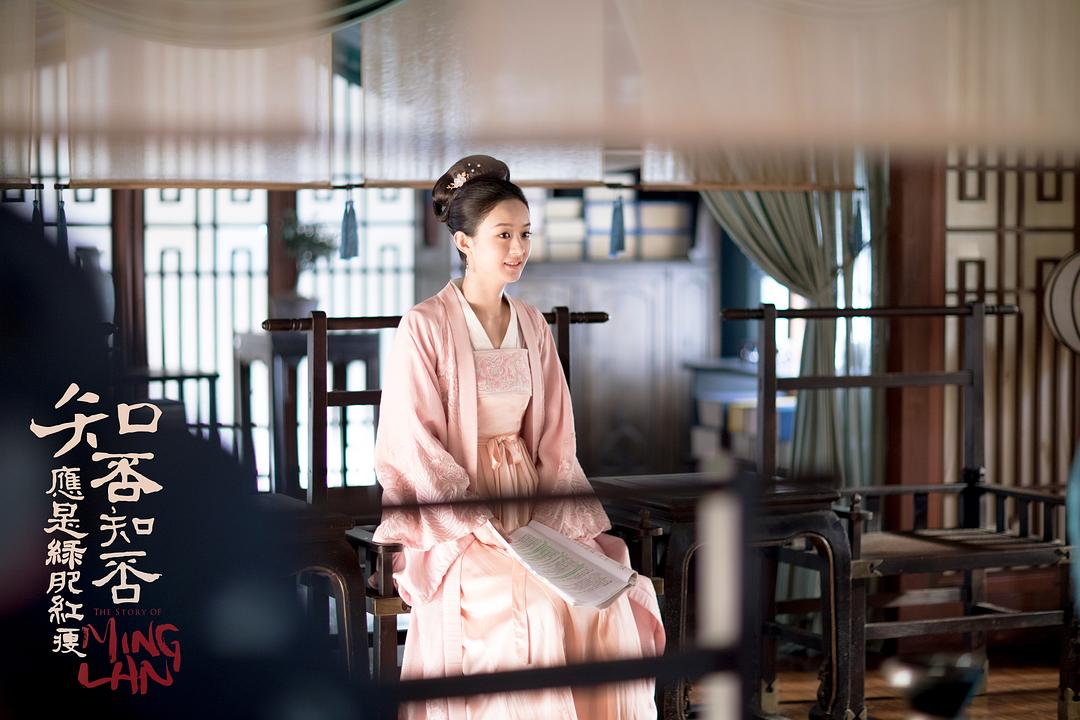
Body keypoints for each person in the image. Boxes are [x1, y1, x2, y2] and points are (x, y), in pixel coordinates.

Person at [372, 156, 666, 719]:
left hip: (532, 498)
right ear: (464, 242)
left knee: (607, 597)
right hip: (460, 514)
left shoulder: (532, 323)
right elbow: (412, 442)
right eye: (503, 235)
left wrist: (548, 515)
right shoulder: (425, 325)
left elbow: (556, 435)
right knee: (532, 604)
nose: (518, 248)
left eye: (525, 234)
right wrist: (478, 519)